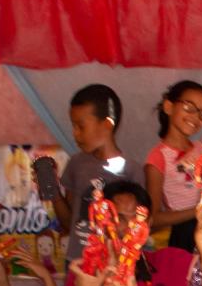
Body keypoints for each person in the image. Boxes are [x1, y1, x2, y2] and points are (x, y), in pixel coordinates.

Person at [55, 84, 147, 267]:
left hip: (114, 265)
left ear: (107, 124)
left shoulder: (132, 171)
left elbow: (137, 229)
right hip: (77, 262)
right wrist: (50, 190)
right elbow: (69, 222)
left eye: (81, 126)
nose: (75, 134)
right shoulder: (76, 164)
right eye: (73, 126)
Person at [145, 79, 202, 252]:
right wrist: (197, 211)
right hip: (185, 234)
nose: (195, 118)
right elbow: (152, 219)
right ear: (168, 107)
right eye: (189, 107)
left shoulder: (201, 148)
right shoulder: (158, 157)